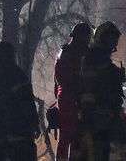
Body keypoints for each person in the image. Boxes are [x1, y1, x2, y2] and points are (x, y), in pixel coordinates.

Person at [74, 23, 126, 161]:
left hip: (107, 115)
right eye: (111, 38)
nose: (114, 42)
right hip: (96, 116)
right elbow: (87, 84)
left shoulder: (103, 59)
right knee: (93, 153)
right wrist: (89, 112)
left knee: (105, 152)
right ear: (102, 38)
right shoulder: (93, 57)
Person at [53, 23, 93, 161]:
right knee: (70, 134)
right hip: (71, 99)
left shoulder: (66, 52)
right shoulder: (71, 53)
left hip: (69, 98)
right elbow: (64, 78)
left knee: (72, 135)